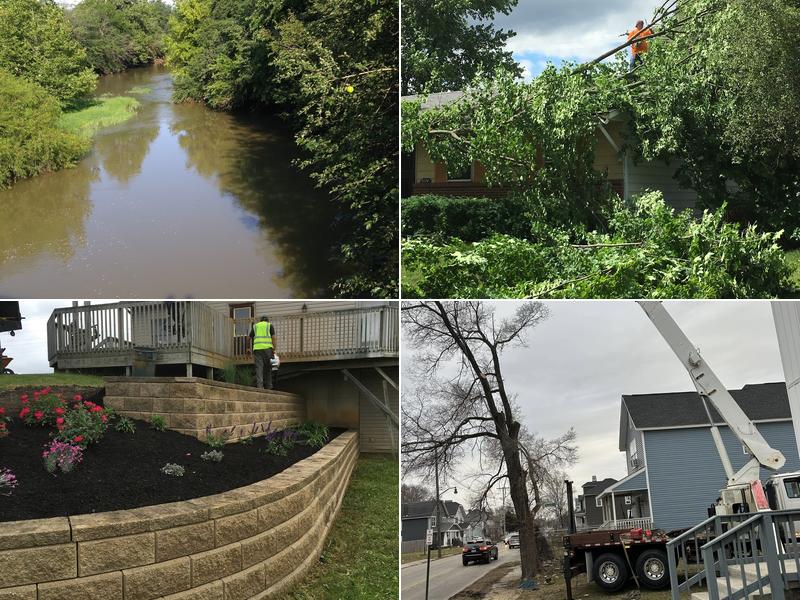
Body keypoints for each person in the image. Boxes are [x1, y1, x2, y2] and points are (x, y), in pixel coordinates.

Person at [249, 315, 276, 390]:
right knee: (268, 368)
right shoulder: (269, 325)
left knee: (259, 368)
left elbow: (249, 337)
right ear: (267, 320)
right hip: (268, 349)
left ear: (260, 321)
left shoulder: (255, 326)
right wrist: (274, 349)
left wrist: (248, 348)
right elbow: (273, 338)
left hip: (257, 350)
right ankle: (269, 387)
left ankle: (260, 387)